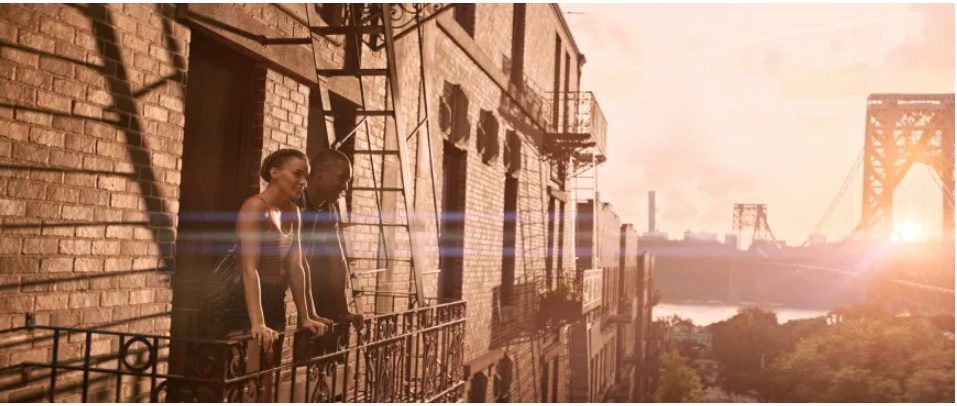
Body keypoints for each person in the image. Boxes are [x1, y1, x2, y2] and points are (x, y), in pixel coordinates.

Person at [224, 148, 330, 350]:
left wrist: (307, 315)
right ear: (275, 173)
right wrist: (258, 322)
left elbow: (297, 266)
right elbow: (249, 268)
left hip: (275, 296)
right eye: (297, 174)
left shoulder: (293, 211)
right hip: (246, 299)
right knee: (244, 369)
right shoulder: (255, 207)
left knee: (269, 369)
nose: (303, 182)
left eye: (306, 176)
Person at [299, 149, 364, 354]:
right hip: (281, 284)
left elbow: (337, 259)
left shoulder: (330, 208)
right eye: (341, 179)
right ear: (318, 173)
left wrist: (343, 309)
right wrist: (306, 312)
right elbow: (293, 262)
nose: (345, 187)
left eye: (348, 180)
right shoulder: (295, 203)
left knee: (330, 340)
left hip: (310, 281)